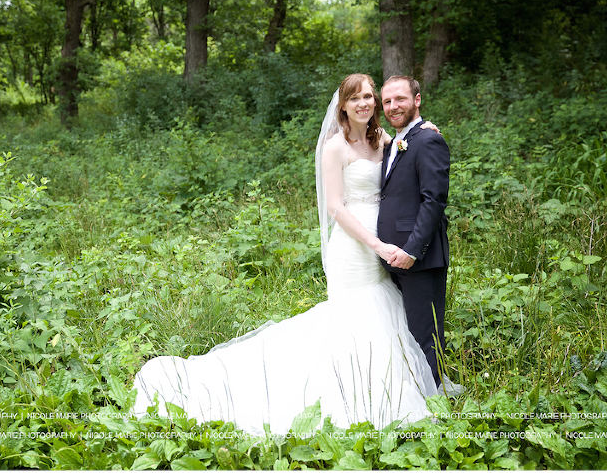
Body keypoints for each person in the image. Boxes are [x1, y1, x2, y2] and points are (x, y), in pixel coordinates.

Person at [132, 74, 438, 437]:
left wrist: (425, 128)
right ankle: (346, 393)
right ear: (342, 105)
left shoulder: (383, 139)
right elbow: (336, 208)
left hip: (384, 243)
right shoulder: (334, 147)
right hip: (354, 248)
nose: (364, 104)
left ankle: (388, 385)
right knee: (356, 316)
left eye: (369, 97)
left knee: (381, 311)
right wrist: (376, 245)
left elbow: (407, 146)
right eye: (355, 98)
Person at [378, 75, 452, 392]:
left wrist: (412, 250)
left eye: (400, 99)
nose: (393, 106)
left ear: (417, 100)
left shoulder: (428, 140)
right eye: (388, 101)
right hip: (389, 256)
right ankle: (410, 394)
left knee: (426, 334)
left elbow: (433, 201)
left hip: (419, 257)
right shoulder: (391, 144)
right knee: (402, 330)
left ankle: (433, 405)